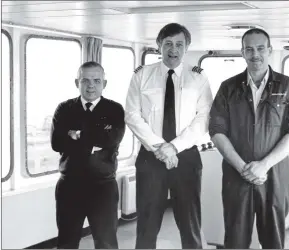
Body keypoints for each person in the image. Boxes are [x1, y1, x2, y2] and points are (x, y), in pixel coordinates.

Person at [209, 28, 289, 249]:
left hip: (274, 176)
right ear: (242, 52)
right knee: (235, 240)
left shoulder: (288, 86)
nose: (255, 54)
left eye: (260, 48)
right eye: (249, 49)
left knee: (273, 241)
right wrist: (244, 168)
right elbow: (216, 130)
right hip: (236, 175)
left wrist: (264, 166)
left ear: (270, 50)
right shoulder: (228, 88)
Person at [125, 23, 213, 249]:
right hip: (150, 159)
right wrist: (160, 147)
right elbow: (133, 116)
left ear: (187, 47)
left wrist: (173, 147)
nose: (173, 50)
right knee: (147, 223)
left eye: (179, 44)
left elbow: (204, 118)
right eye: (168, 44)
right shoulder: (142, 76)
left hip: (186, 158)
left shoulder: (198, 78)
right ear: (159, 46)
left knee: (190, 223)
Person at [51, 61, 125, 249]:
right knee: (67, 241)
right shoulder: (64, 109)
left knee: (106, 242)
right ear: (77, 82)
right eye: (85, 80)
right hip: (69, 186)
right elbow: (56, 143)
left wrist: (77, 135)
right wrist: (93, 142)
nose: (91, 85)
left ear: (104, 84)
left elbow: (111, 140)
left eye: (96, 80)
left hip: (103, 187)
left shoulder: (114, 110)